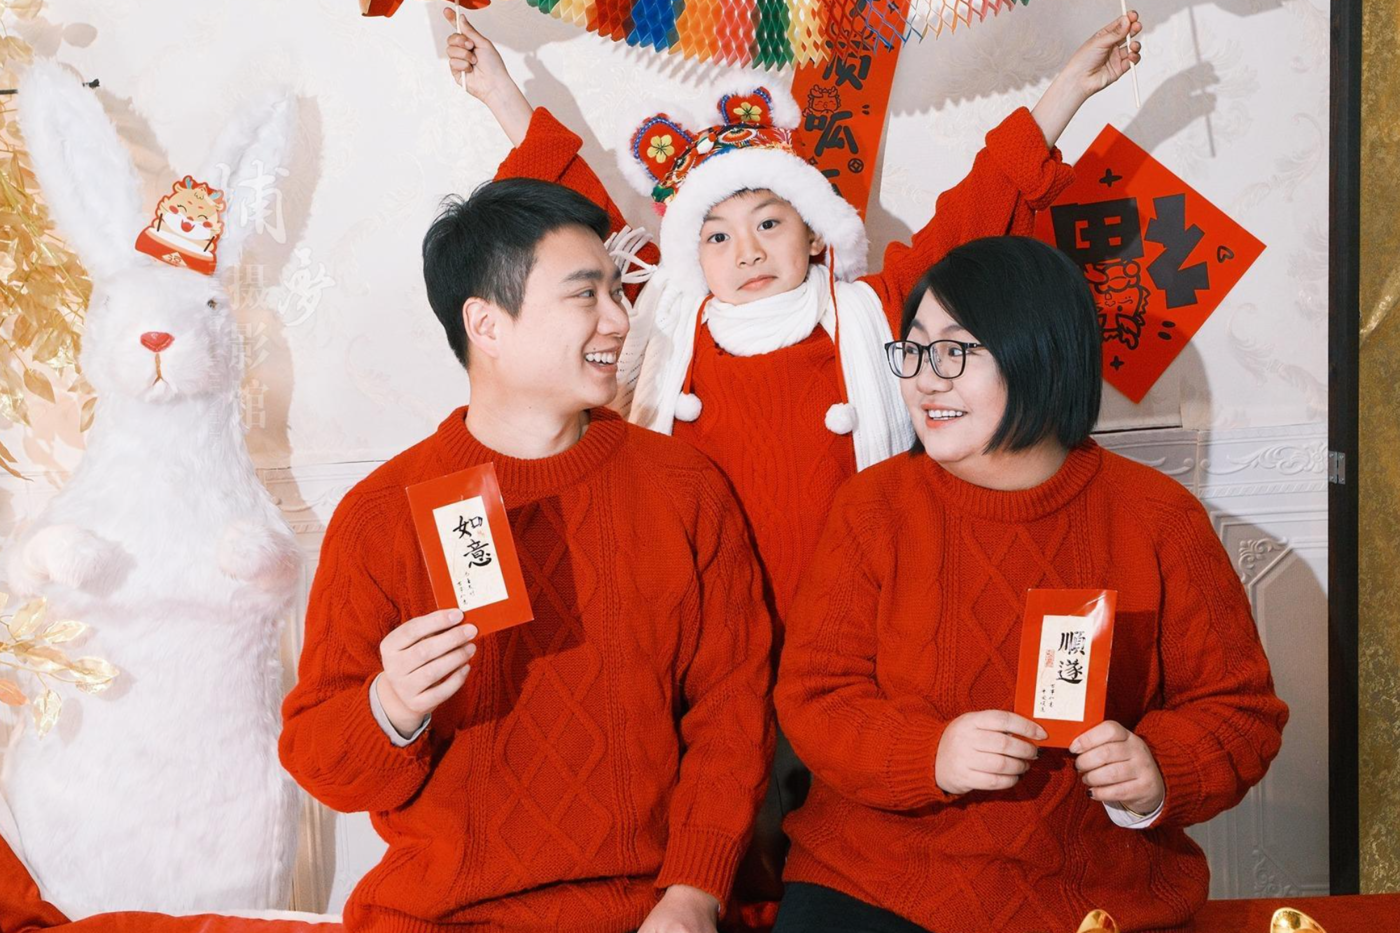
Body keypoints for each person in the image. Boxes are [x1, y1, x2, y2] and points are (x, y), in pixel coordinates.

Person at [280, 178, 775, 933]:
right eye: (585, 295)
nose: (619, 318)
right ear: (486, 323)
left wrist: (691, 892)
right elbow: (325, 766)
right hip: (441, 915)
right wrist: (393, 706)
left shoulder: (684, 487)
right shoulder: (381, 515)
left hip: (649, 912)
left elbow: (732, 716)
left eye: (618, 290)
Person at [772, 236, 1289, 933]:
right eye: (914, 350)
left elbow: (1239, 711)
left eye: (957, 351)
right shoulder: (873, 508)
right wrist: (930, 754)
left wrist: (1159, 769)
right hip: (874, 884)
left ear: (1043, 355)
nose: (926, 379)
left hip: (1099, 895)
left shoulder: (1157, 517)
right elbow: (815, 697)